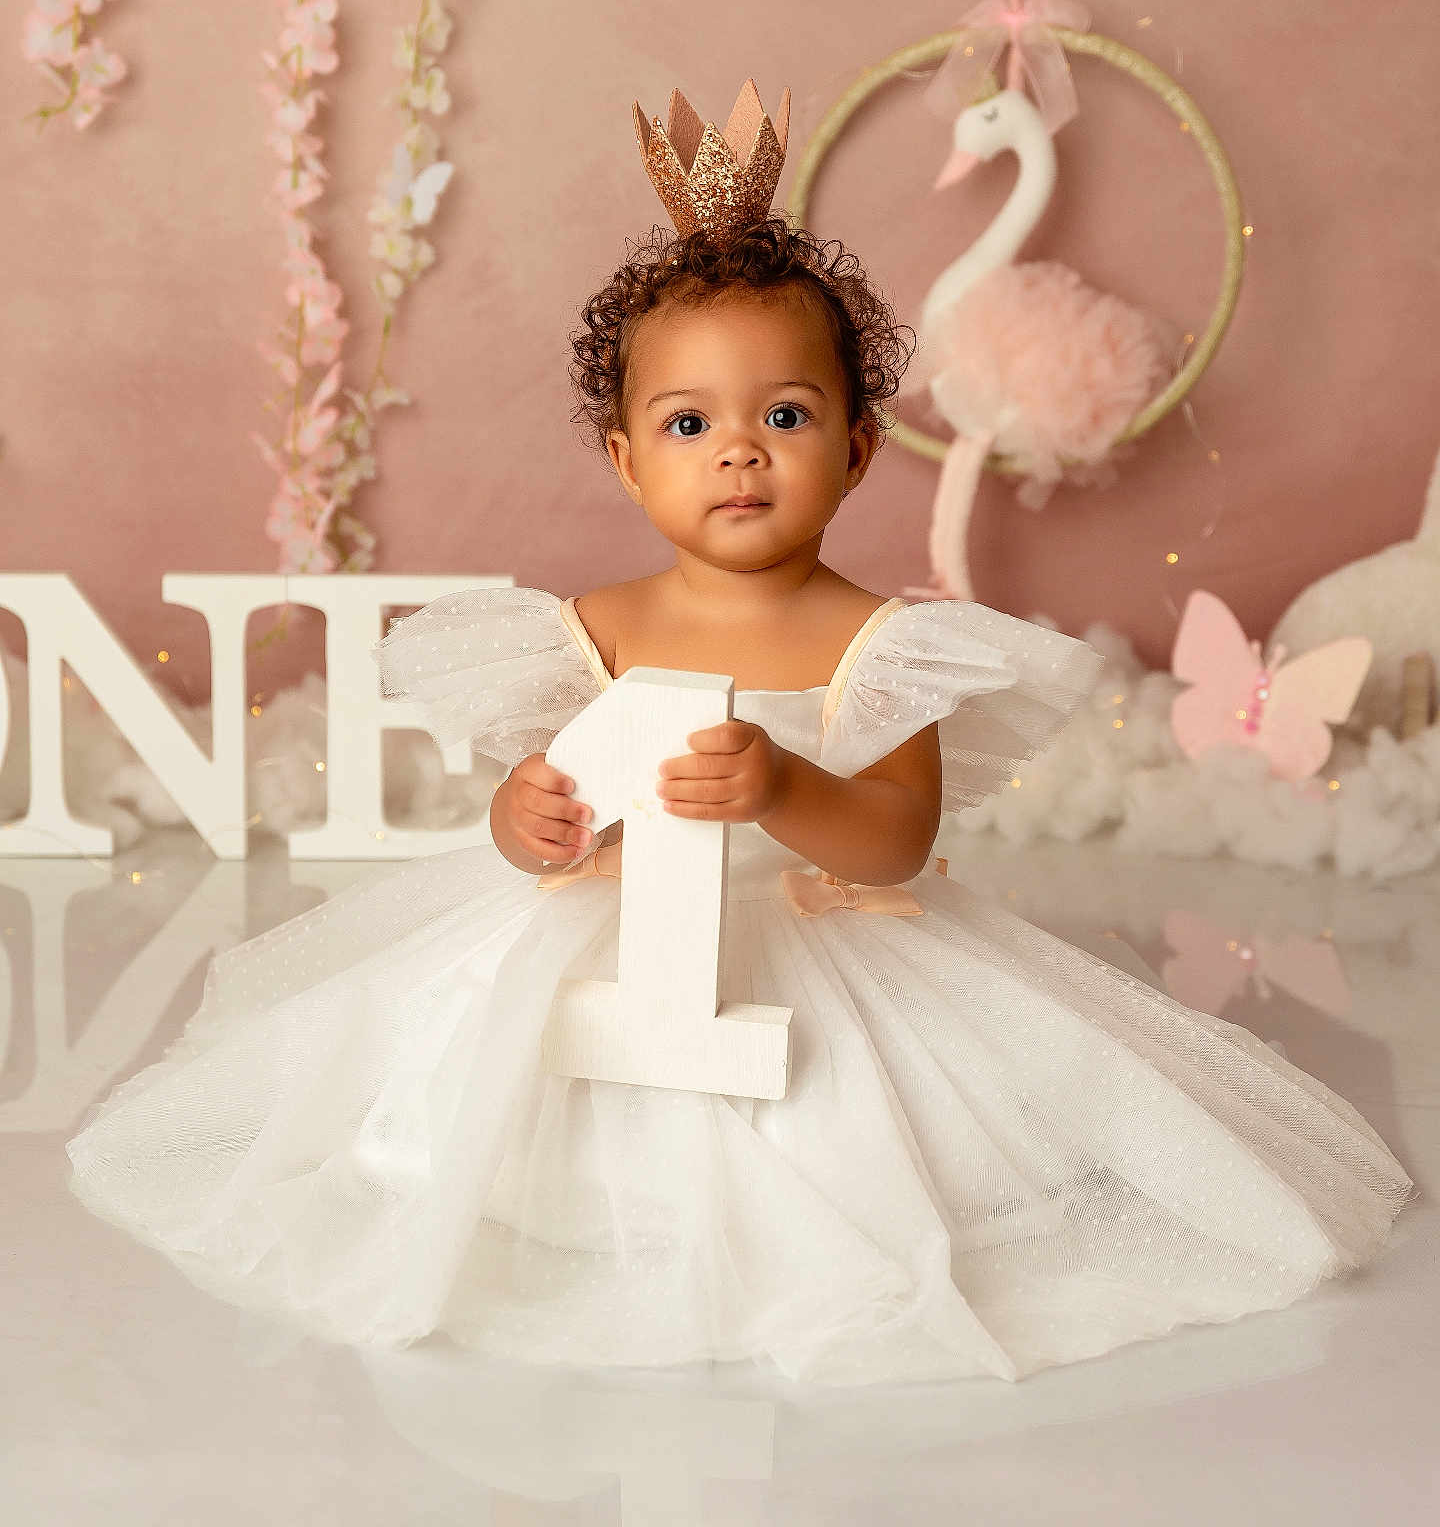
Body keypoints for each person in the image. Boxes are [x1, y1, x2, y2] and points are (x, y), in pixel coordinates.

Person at [65, 81, 1418, 1384]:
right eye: (689, 422)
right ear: (626, 458)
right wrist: (525, 818)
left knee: (837, 1136)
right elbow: (541, 801)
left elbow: (895, 845)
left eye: (785, 415)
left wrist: (780, 784)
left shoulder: (879, 643)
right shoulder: (588, 625)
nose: (739, 452)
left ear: (859, 448)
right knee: (504, 1100)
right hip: (611, 938)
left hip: (825, 944)